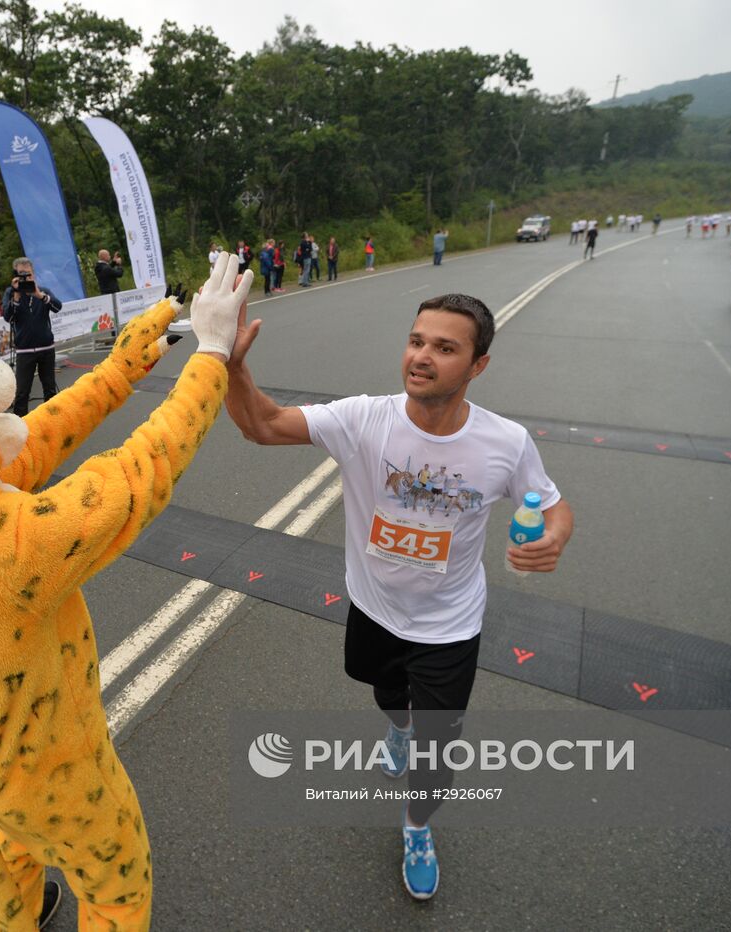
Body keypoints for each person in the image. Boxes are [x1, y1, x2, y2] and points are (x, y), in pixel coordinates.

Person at [223, 292, 573, 902]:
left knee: (437, 750)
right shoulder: (365, 419)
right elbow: (261, 424)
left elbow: (550, 502)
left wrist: (554, 537)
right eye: (417, 341)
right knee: (385, 693)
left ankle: (416, 828)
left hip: (449, 625)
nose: (422, 356)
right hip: (374, 608)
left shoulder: (505, 443)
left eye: (444, 347)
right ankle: (399, 725)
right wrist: (229, 365)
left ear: (477, 365)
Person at [0, 257, 63, 416]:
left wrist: (39, 294)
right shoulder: (11, 292)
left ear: (33, 274)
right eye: (21, 274)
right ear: (15, 275)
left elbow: (57, 307)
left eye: (28, 275)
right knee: (22, 392)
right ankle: (21, 425)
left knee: (49, 387)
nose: (25, 278)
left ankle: (52, 421)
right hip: (24, 351)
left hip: (46, 348)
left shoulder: (43, 291)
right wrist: (16, 296)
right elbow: (8, 318)